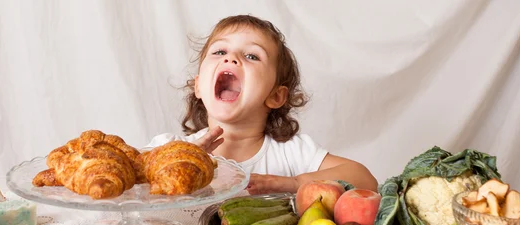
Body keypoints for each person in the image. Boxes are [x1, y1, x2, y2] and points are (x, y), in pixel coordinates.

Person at [144, 14, 378, 194]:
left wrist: (293, 183)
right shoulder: (167, 148)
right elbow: (131, 194)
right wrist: (180, 159)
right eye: (220, 51)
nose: (230, 57)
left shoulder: (290, 154)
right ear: (198, 87)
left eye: (252, 56)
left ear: (276, 96)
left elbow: (364, 179)